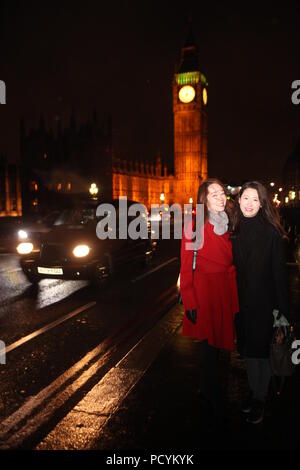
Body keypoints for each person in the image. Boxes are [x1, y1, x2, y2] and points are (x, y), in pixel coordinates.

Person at [180, 178, 239, 430]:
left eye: (221, 192)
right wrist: (190, 300)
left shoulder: (232, 224)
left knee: (218, 349)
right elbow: (185, 267)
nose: (220, 196)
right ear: (204, 199)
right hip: (205, 292)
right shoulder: (193, 226)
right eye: (212, 193)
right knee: (210, 349)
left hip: (226, 290)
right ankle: (216, 401)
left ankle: (206, 389)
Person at [230, 181, 290, 425]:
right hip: (241, 305)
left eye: (256, 199)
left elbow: (280, 278)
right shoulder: (234, 230)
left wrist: (284, 316)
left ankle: (259, 398)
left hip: (265, 306)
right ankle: (254, 391)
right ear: (239, 199)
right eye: (246, 198)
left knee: (261, 354)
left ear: (263, 203)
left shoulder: (272, 234)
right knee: (248, 352)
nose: (250, 203)